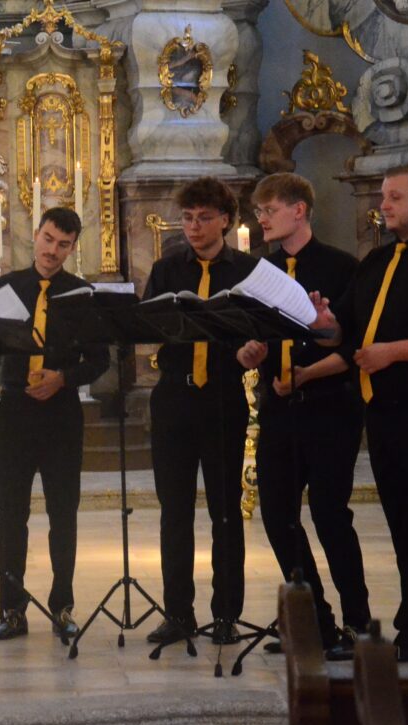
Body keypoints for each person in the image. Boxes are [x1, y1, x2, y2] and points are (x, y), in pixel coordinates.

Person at [313, 162, 408, 661]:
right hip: (383, 416)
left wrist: (393, 352)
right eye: (383, 196)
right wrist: (324, 322)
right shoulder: (376, 262)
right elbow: (346, 334)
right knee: (403, 526)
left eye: (394, 197)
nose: (383, 204)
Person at [234, 174, 370, 660]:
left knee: (332, 517)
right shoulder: (261, 273)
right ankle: (316, 622)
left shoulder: (341, 267)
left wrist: (307, 374)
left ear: (300, 210)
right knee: (277, 518)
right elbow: (254, 340)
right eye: (259, 210)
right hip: (279, 410)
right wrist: (250, 352)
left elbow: (354, 346)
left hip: (331, 409)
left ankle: (358, 624)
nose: (261, 218)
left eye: (269, 209)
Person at [143, 177, 257, 647]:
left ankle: (227, 614)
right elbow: (146, 324)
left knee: (225, 512)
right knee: (175, 512)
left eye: (204, 218)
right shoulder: (167, 270)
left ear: (226, 220)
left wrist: (254, 347)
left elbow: (264, 327)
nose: (193, 226)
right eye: (187, 218)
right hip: (173, 398)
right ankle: (178, 614)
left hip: (223, 398)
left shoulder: (248, 271)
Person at [0, 207, 110, 640]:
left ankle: (63, 605)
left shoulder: (80, 294)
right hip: (15, 412)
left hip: (61, 415)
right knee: (11, 513)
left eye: (63, 245)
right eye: (48, 239)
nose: (52, 251)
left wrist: (63, 379)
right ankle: (12, 609)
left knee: (63, 512)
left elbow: (99, 359)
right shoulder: (9, 286)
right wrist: (2, 369)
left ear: (73, 247)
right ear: (35, 235)